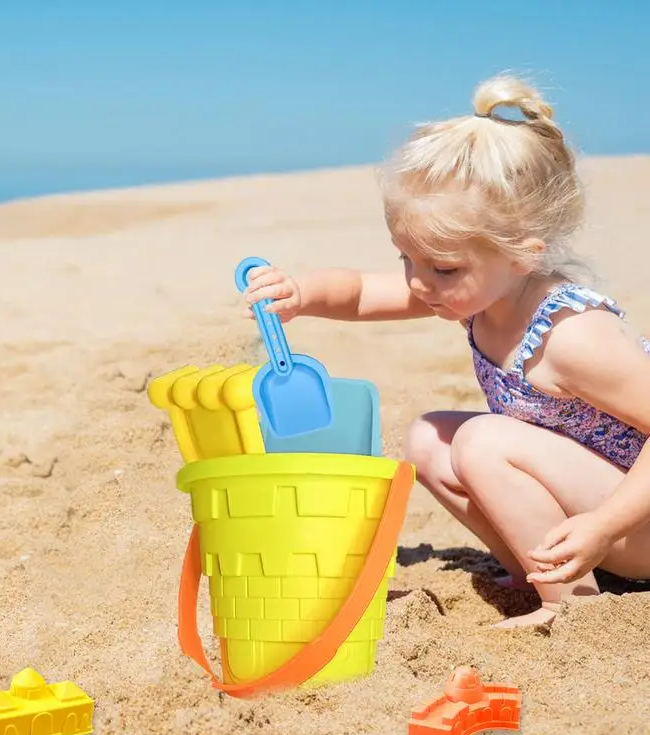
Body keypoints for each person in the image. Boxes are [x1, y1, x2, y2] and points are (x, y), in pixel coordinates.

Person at [241, 73, 650, 628]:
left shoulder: (573, 336)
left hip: (630, 520)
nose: (417, 283)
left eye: (442, 267)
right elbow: (362, 293)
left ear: (523, 255)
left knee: (483, 440)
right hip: (601, 516)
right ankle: (538, 569)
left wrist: (603, 525)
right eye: (406, 259)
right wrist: (302, 294)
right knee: (429, 439)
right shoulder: (477, 293)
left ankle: (571, 605)